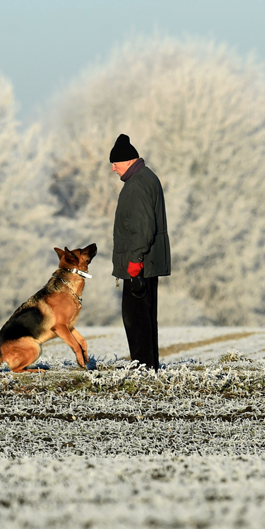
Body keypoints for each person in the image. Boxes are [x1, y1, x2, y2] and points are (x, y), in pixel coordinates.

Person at [110, 134, 170, 369]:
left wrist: (134, 261)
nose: (113, 168)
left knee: (136, 320)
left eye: (115, 163)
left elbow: (143, 227)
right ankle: (148, 366)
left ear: (128, 161)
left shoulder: (136, 184)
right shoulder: (146, 177)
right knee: (146, 318)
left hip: (140, 263)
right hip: (148, 261)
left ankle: (143, 368)